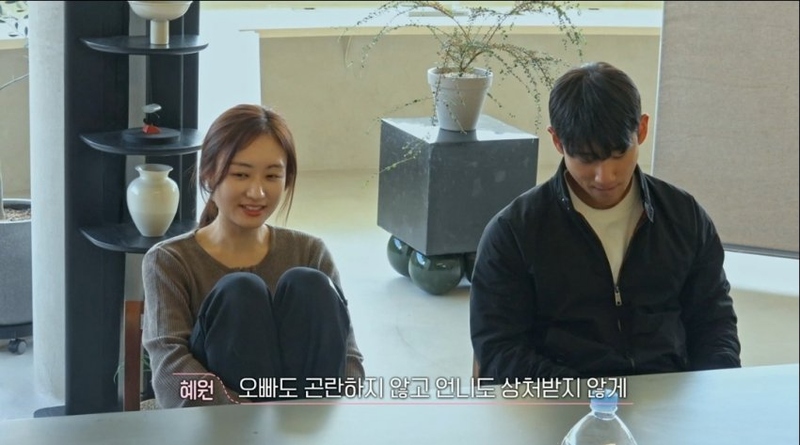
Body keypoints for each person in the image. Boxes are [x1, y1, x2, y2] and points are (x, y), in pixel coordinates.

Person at [469, 62, 741, 383]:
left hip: (667, 396)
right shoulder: (513, 233)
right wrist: (590, 398)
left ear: (641, 130)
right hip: (563, 401)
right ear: (558, 142)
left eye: (618, 153)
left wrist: (717, 392)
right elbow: (500, 350)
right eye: (587, 158)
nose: (605, 177)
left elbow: (714, 324)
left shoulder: (684, 217)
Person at [142, 104, 364, 407]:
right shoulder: (169, 260)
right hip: (222, 424)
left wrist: (333, 411)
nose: (257, 192)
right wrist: (245, 414)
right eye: (241, 174)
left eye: (272, 176)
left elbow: (348, 358)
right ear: (209, 175)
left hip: (305, 421)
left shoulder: (310, 251)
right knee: (240, 291)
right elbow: (171, 372)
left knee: (309, 284)